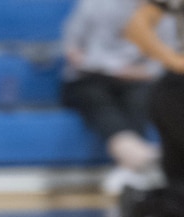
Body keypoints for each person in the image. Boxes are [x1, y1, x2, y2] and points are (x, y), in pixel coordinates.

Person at [109, 0, 184, 217]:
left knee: (178, 210)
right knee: (177, 202)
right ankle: (147, 199)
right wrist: (174, 61)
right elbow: (137, 26)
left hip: (171, 96)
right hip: (178, 94)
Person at [60, 0, 167, 196]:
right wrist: (110, 67)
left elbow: (166, 58)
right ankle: (145, 159)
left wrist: (135, 72)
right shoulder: (96, 4)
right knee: (95, 98)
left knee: (142, 97)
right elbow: (72, 47)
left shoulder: (163, 10)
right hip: (89, 76)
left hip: (138, 77)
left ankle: (131, 167)